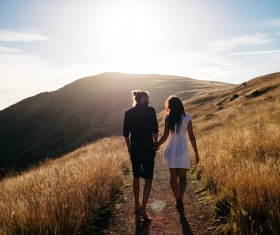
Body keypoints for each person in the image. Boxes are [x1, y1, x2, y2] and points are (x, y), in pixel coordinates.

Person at [156, 96, 199, 213]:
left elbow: (165, 136)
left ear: (170, 106)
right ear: (181, 105)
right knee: (183, 178)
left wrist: (156, 145)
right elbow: (191, 136)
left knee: (173, 176)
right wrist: (196, 152)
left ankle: (177, 199)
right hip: (183, 148)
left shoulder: (168, 117)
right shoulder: (187, 117)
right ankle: (180, 198)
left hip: (170, 148)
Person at [123, 90, 159, 221]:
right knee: (148, 180)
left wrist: (129, 148)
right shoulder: (150, 111)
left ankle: (137, 204)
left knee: (136, 177)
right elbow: (155, 130)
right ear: (143, 98)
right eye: (148, 97)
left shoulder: (128, 113)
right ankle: (143, 209)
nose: (149, 100)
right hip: (148, 149)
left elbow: (126, 134)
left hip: (135, 149)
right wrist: (156, 143)